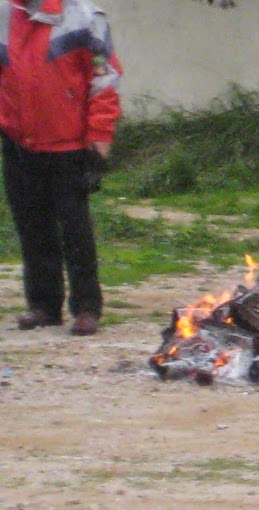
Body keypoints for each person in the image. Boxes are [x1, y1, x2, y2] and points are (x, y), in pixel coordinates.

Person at [0, 0, 122, 335]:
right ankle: (43, 306)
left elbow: (104, 78)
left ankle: (86, 308)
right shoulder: (4, 14)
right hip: (18, 142)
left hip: (69, 145)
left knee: (75, 230)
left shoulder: (86, 17)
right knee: (32, 228)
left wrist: (99, 137)